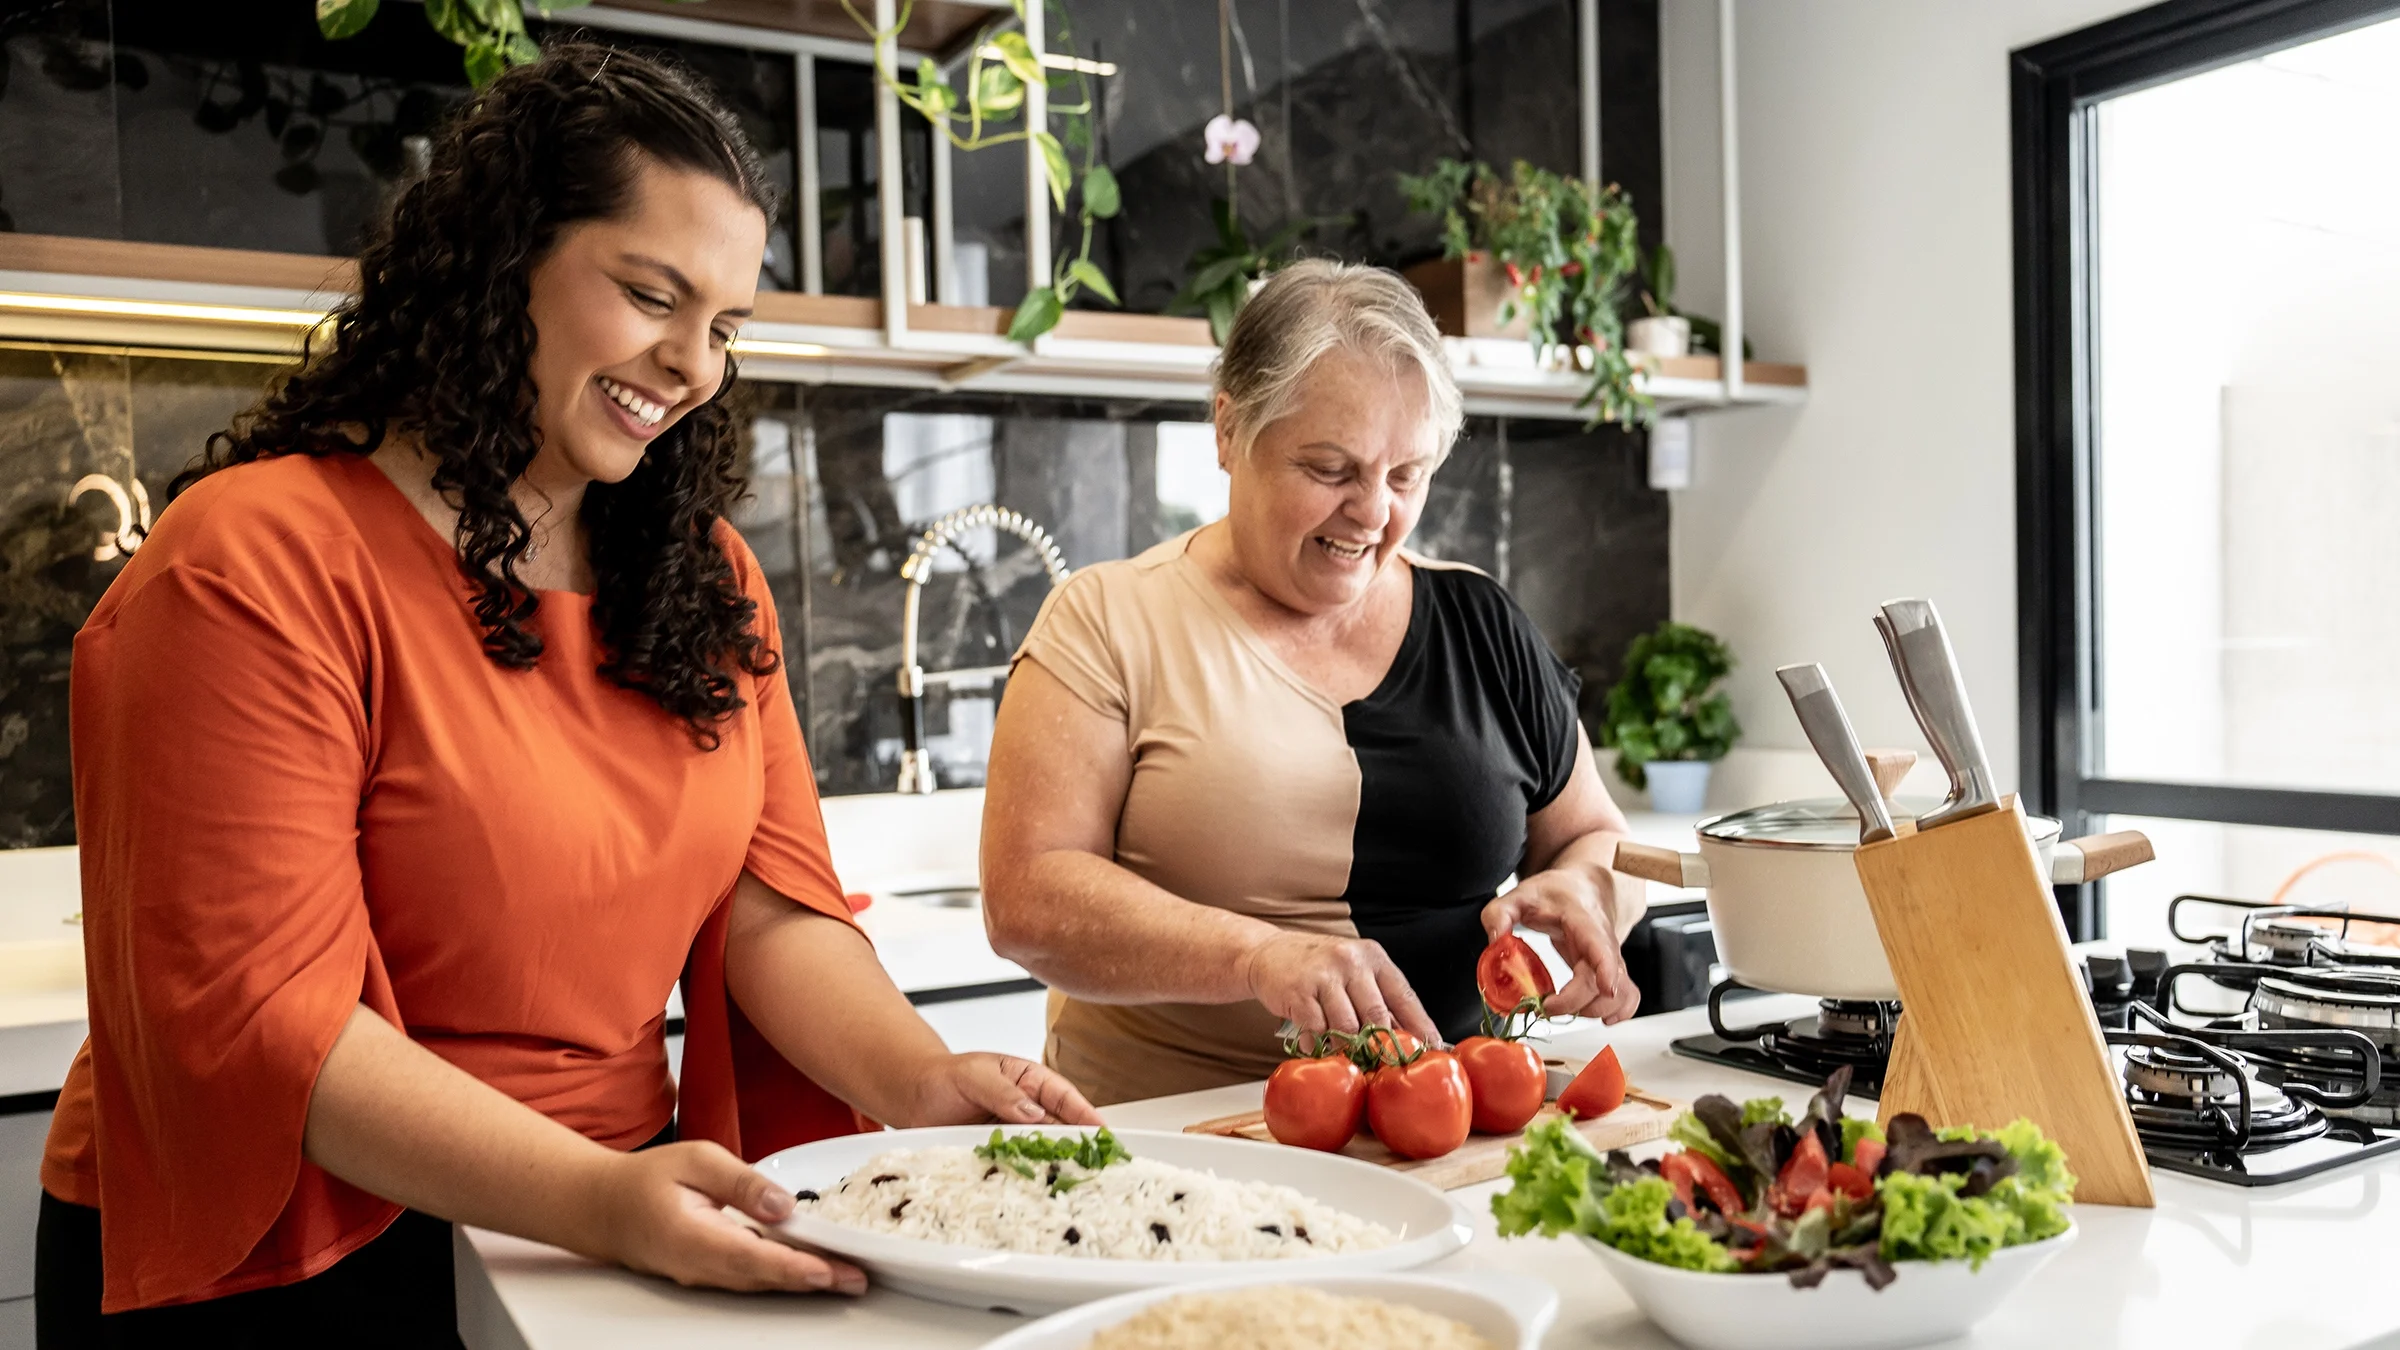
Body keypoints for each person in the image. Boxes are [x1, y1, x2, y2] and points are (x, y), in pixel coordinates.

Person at [36, 44, 1096, 1346]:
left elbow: (774, 916)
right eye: (651, 293)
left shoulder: (704, 577)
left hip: (607, 1213)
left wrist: (922, 1076)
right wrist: (597, 1200)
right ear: (502, 262)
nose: (692, 363)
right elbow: (268, 1027)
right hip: (302, 1242)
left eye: (723, 327)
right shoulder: (253, 559)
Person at [981, 260, 1647, 1107]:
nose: (1373, 512)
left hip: (1445, 1127)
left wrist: (1588, 894)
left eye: (1406, 475)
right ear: (1228, 431)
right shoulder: (1105, 620)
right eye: (1331, 469)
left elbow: (1594, 836)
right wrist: (1259, 957)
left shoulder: (1480, 621)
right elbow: (1027, 900)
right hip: (1180, 1141)